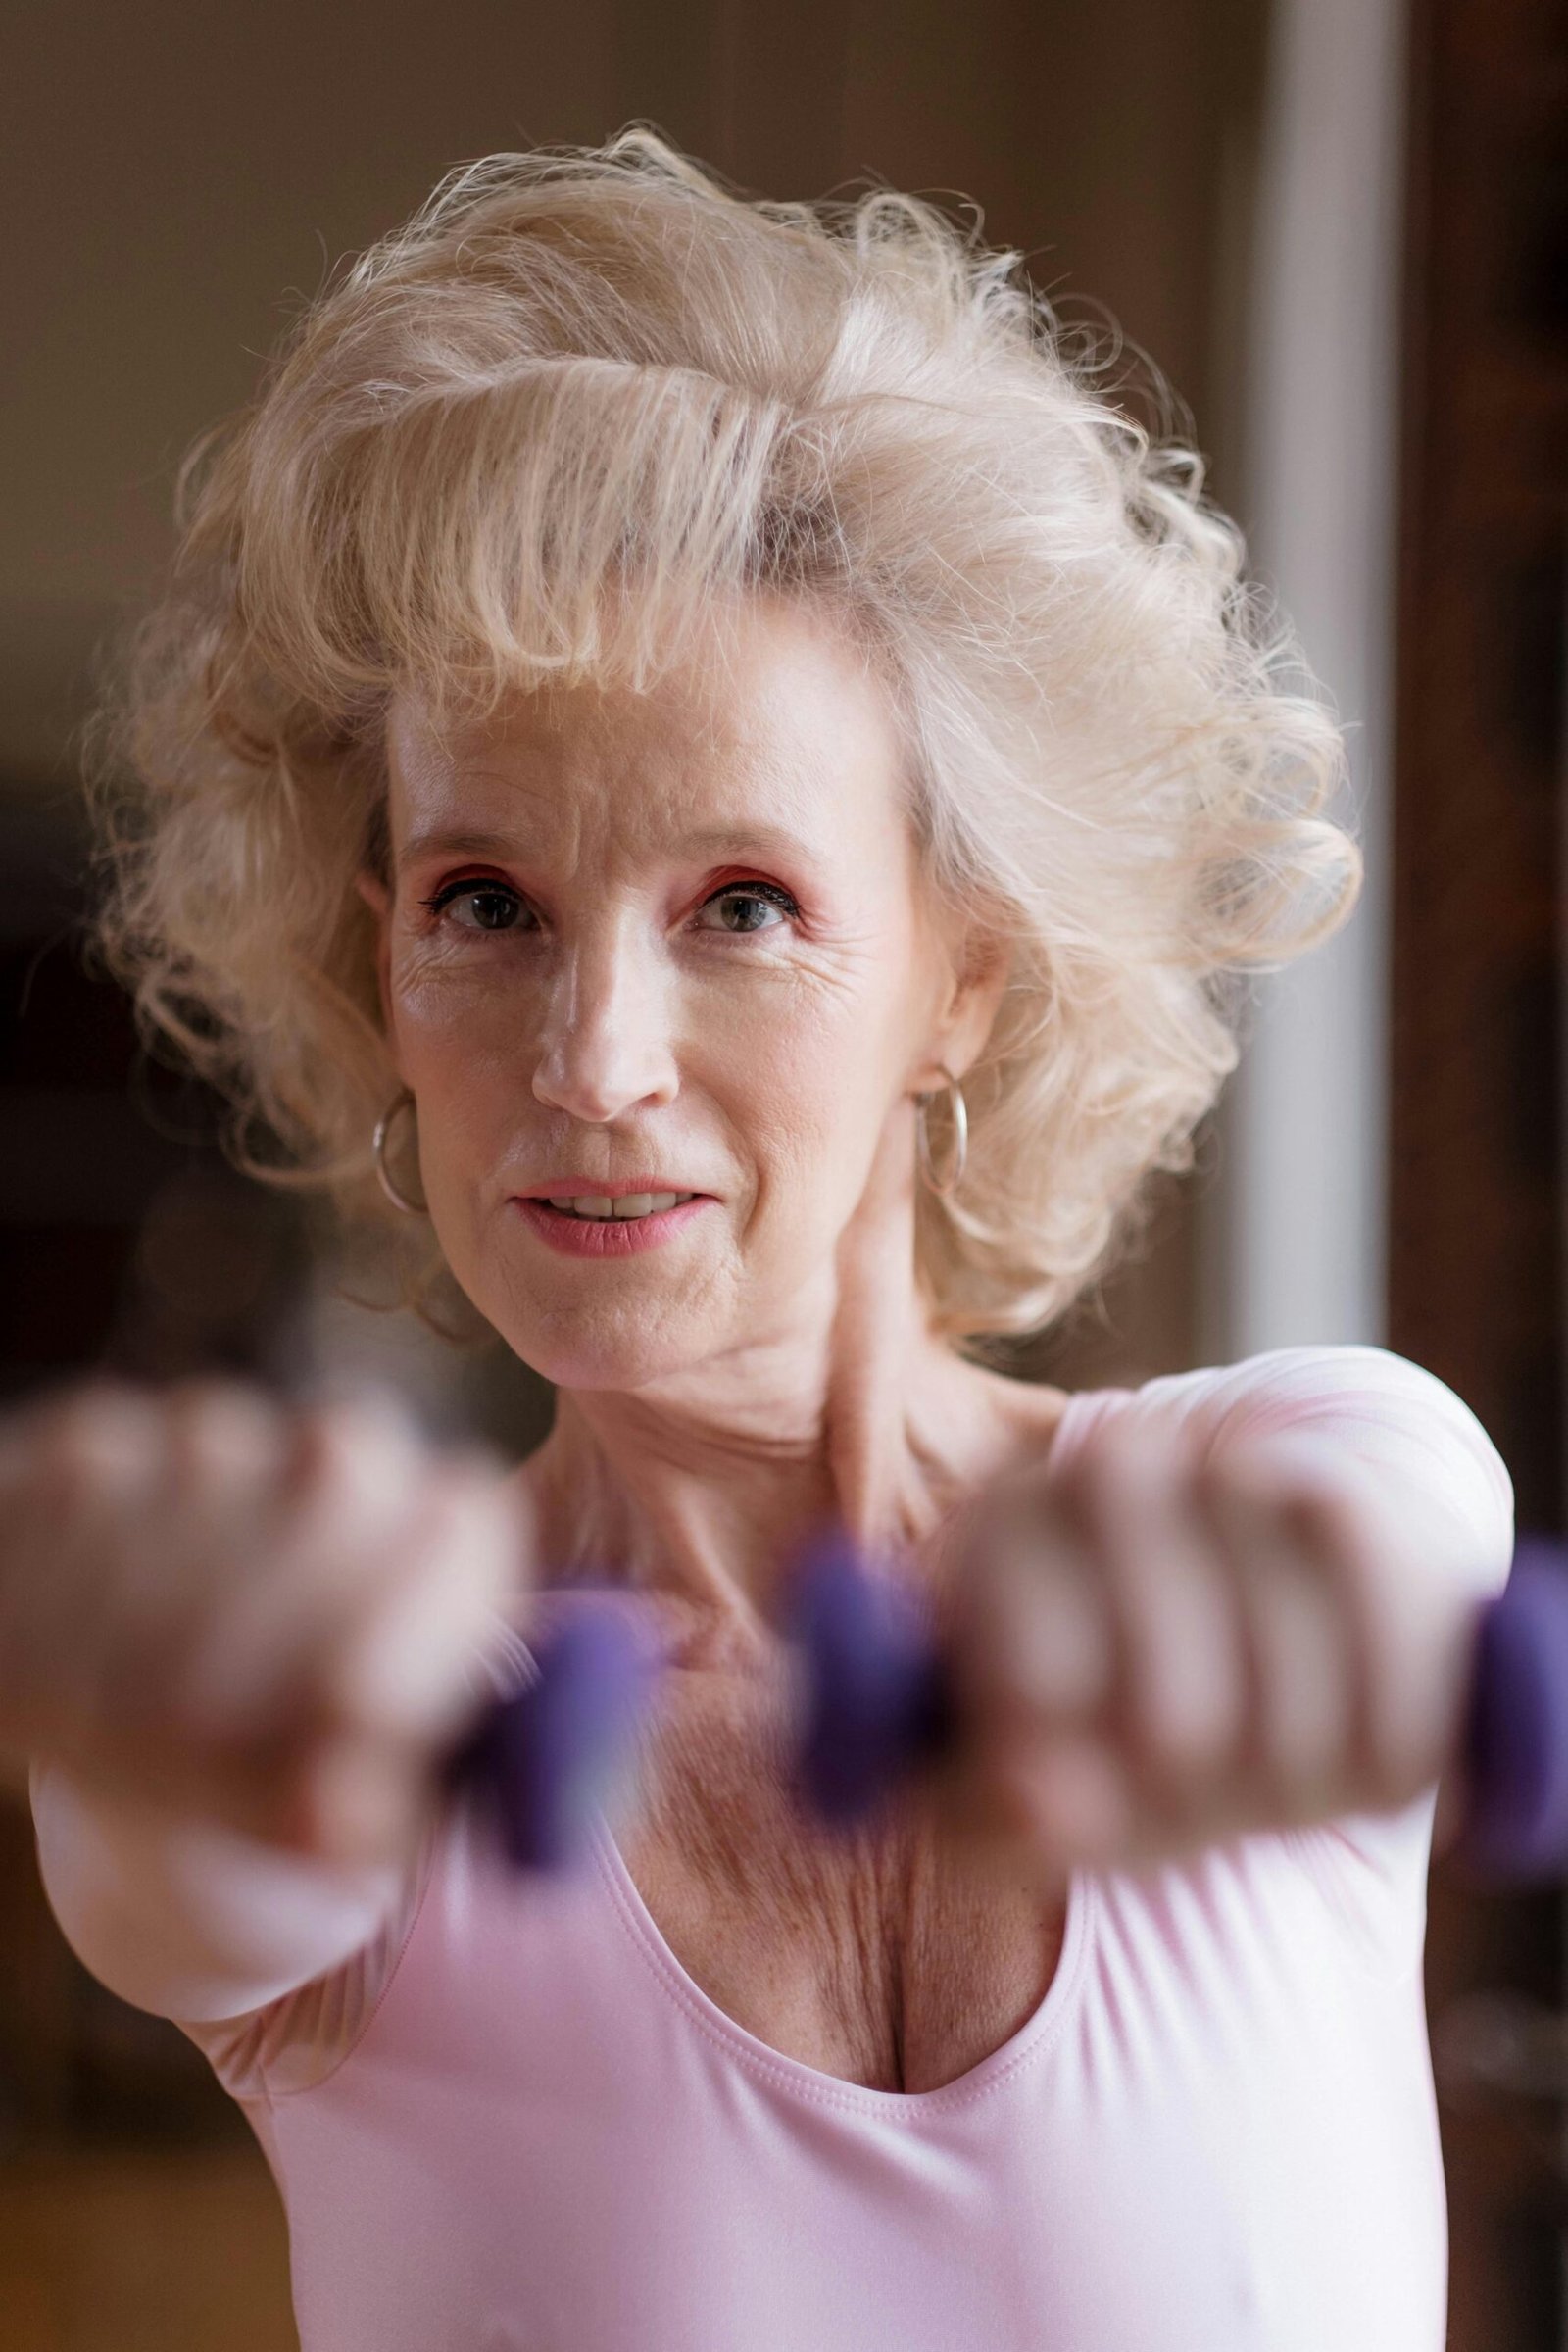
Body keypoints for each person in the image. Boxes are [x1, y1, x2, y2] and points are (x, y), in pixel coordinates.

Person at [10, 130, 1512, 2351]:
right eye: (486, 907)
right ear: (379, 972)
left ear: (960, 981)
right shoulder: (356, 1758)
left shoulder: (1304, 1477)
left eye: (744, 907)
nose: (594, 1058)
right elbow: (186, 1855)